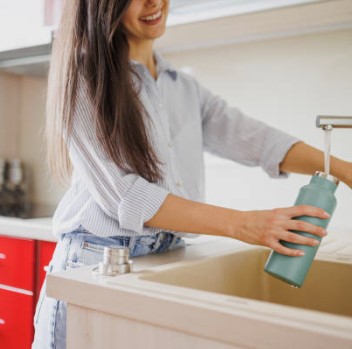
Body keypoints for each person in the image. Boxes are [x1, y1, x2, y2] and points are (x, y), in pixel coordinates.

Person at [32, 0, 352, 348]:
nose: (154, 2)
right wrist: (246, 224)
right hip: (97, 260)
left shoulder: (182, 87)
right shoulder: (83, 78)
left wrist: (343, 169)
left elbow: (258, 141)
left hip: (165, 255)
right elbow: (127, 195)